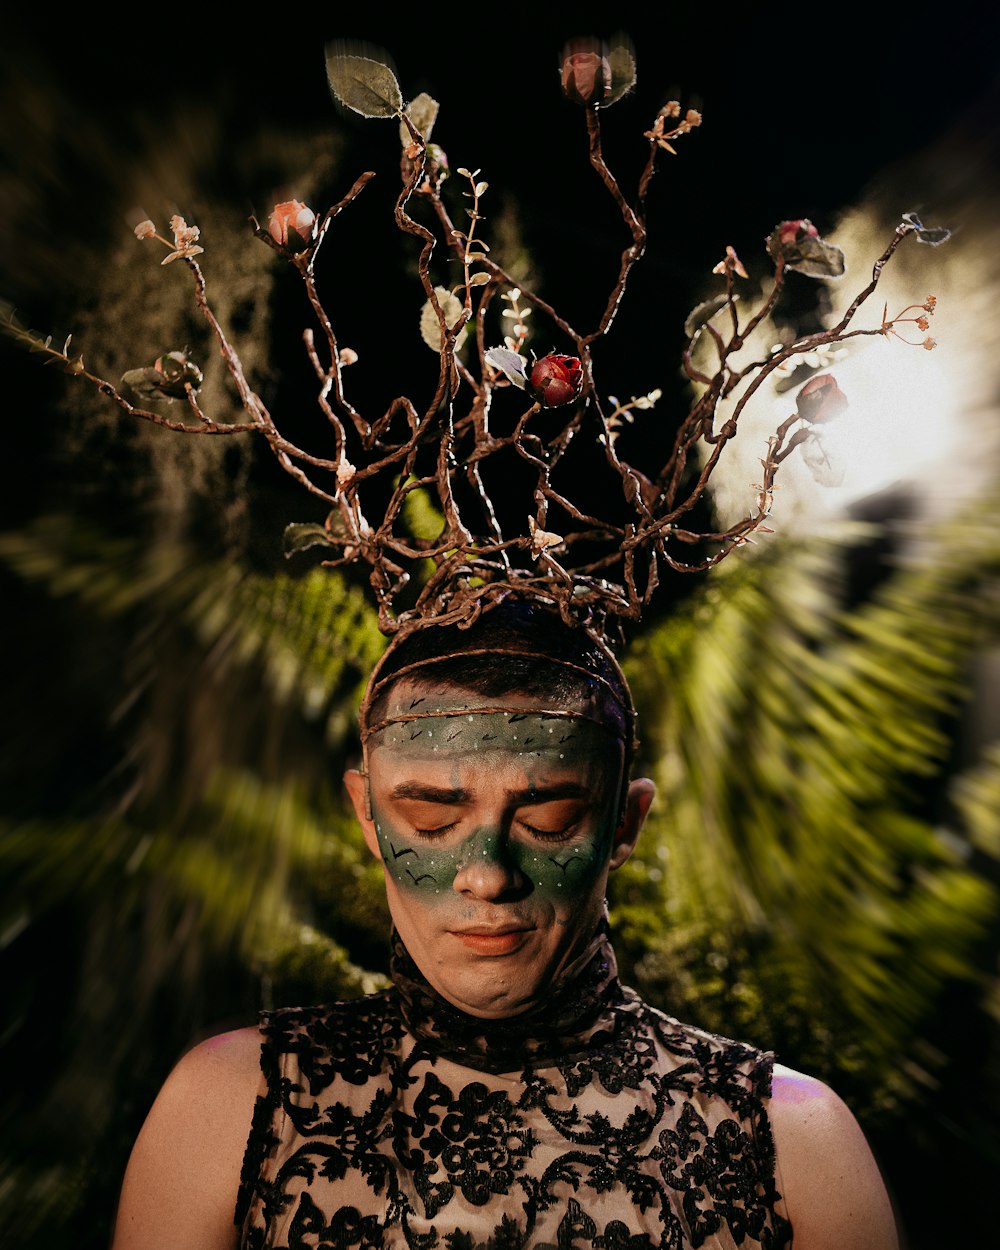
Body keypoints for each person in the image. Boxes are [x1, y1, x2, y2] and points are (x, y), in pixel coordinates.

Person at [110, 600, 899, 1250]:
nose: (487, 874)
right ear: (366, 814)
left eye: (549, 817)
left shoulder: (794, 1147)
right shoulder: (228, 1114)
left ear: (625, 824)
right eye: (428, 815)